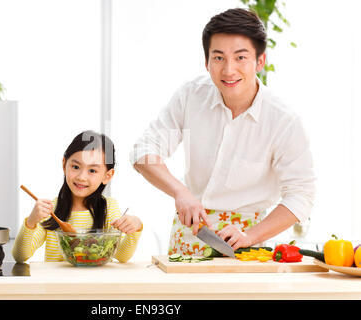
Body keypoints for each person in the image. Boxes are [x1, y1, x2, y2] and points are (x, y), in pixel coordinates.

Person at [129, 8, 315, 255]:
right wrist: (180, 192)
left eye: (240, 58)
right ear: (206, 62)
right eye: (218, 58)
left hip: (248, 242)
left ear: (260, 61)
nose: (228, 70)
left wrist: (250, 235)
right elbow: (144, 151)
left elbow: (301, 196)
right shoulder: (190, 96)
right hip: (189, 234)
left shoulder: (284, 121)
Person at [13, 130, 143, 263]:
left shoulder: (108, 207)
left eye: (92, 170)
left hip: (97, 283)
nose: (81, 177)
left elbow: (121, 256)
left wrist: (136, 227)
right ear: (64, 165)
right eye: (75, 167)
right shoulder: (51, 210)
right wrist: (31, 222)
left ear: (107, 176)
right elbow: (20, 256)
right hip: (57, 283)